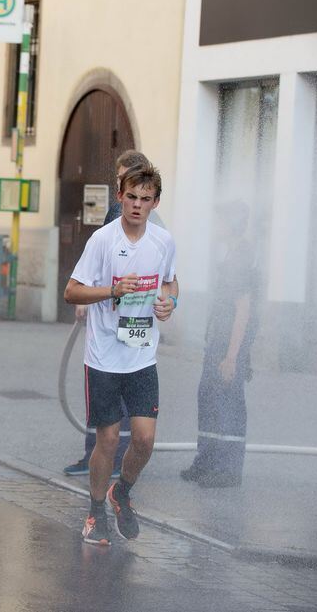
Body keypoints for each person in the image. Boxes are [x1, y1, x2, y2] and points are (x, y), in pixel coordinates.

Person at [63, 165, 177, 546]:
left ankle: (121, 492)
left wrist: (170, 302)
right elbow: (72, 291)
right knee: (108, 441)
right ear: (120, 196)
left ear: (155, 203)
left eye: (146, 199)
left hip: (142, 355)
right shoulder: (102, 240)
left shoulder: (163, 241)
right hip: (104, 358)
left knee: (144, 440)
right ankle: (96, 510)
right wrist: (111, 292)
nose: (137, 205)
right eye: (132, 197)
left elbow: (171, 280)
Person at [64, 149, 153, 478]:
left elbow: (101, 266)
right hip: (136, 320)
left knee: (106, 386)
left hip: (111, 318)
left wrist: (87, 298)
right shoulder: (153, 214)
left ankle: (100, 458)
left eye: (120, 177)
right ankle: (116, 459)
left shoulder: (119, 210)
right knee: (128, 386)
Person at [181, 202, 257, 488]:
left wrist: (232, 357)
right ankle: (208, 460)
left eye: (219, 221)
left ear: (230, 224)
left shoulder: (241, 258)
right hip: (218, 343)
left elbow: (243, 309)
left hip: (229, 346)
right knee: (210, 398)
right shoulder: (232, 254)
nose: (215, 226)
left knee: (228, 404)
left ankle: (228, 469)